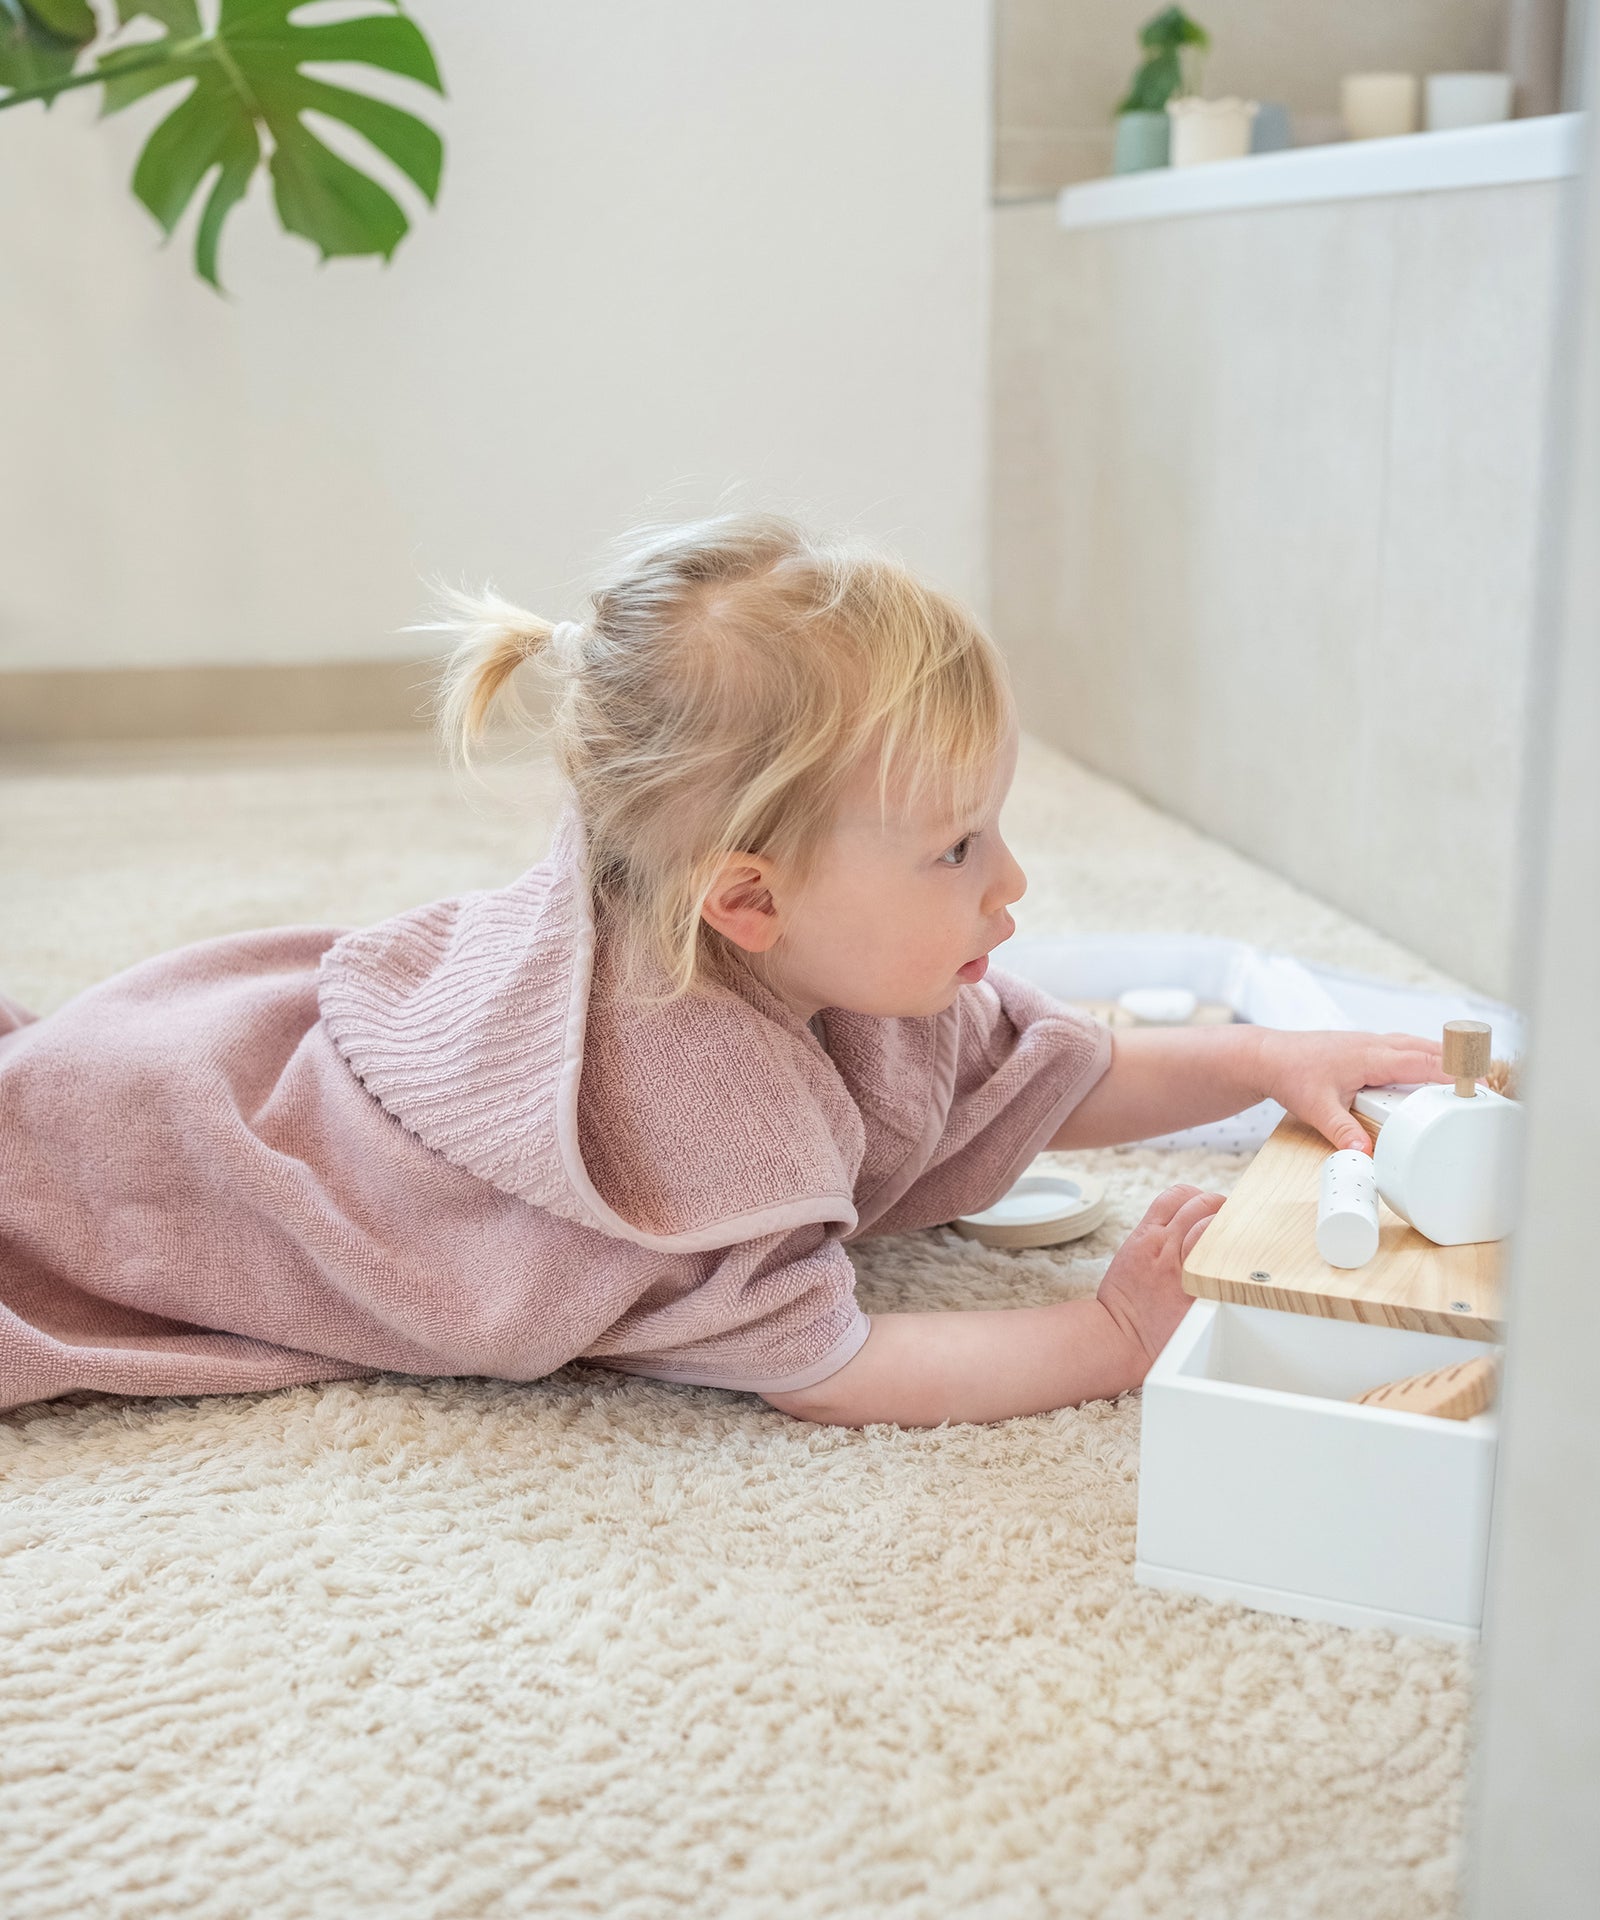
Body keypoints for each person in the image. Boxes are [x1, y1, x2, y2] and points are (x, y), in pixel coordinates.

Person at [0, 513, 1448, 1424]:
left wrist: (1265, 1063)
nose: (1010, 885)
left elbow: (1051, 1069)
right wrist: (1109, 1333)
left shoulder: (822, 962)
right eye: (956, 850)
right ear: (748, 900)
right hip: (183, 1127)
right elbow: (829, 1370)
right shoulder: (689, 1109)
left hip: (207, 1036)